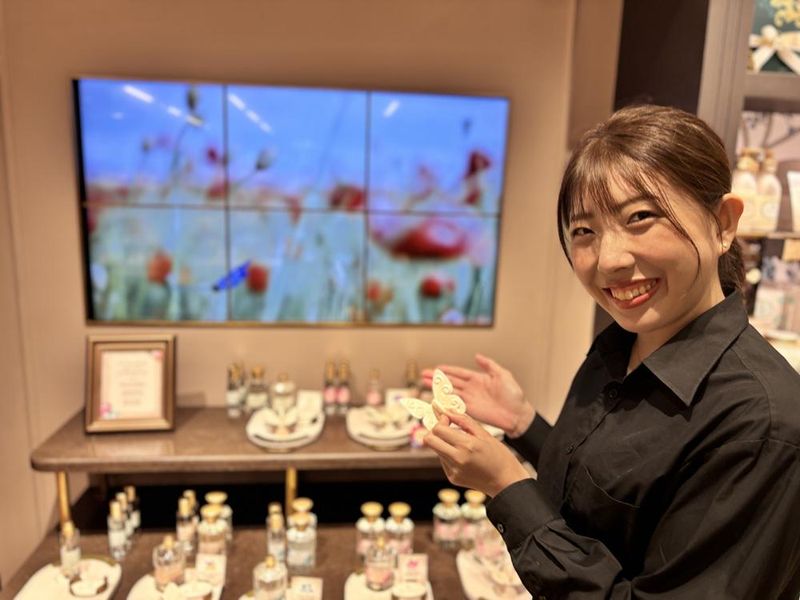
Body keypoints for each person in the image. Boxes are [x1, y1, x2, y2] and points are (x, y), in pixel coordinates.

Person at [422, 105, 800, 599]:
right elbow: (608, 493)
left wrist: (507, 485)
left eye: (640, 217)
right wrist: (523, 424)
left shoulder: (762, 425)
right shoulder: (621, 345)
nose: (609, 260)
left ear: (722, 223)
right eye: (585, 232)